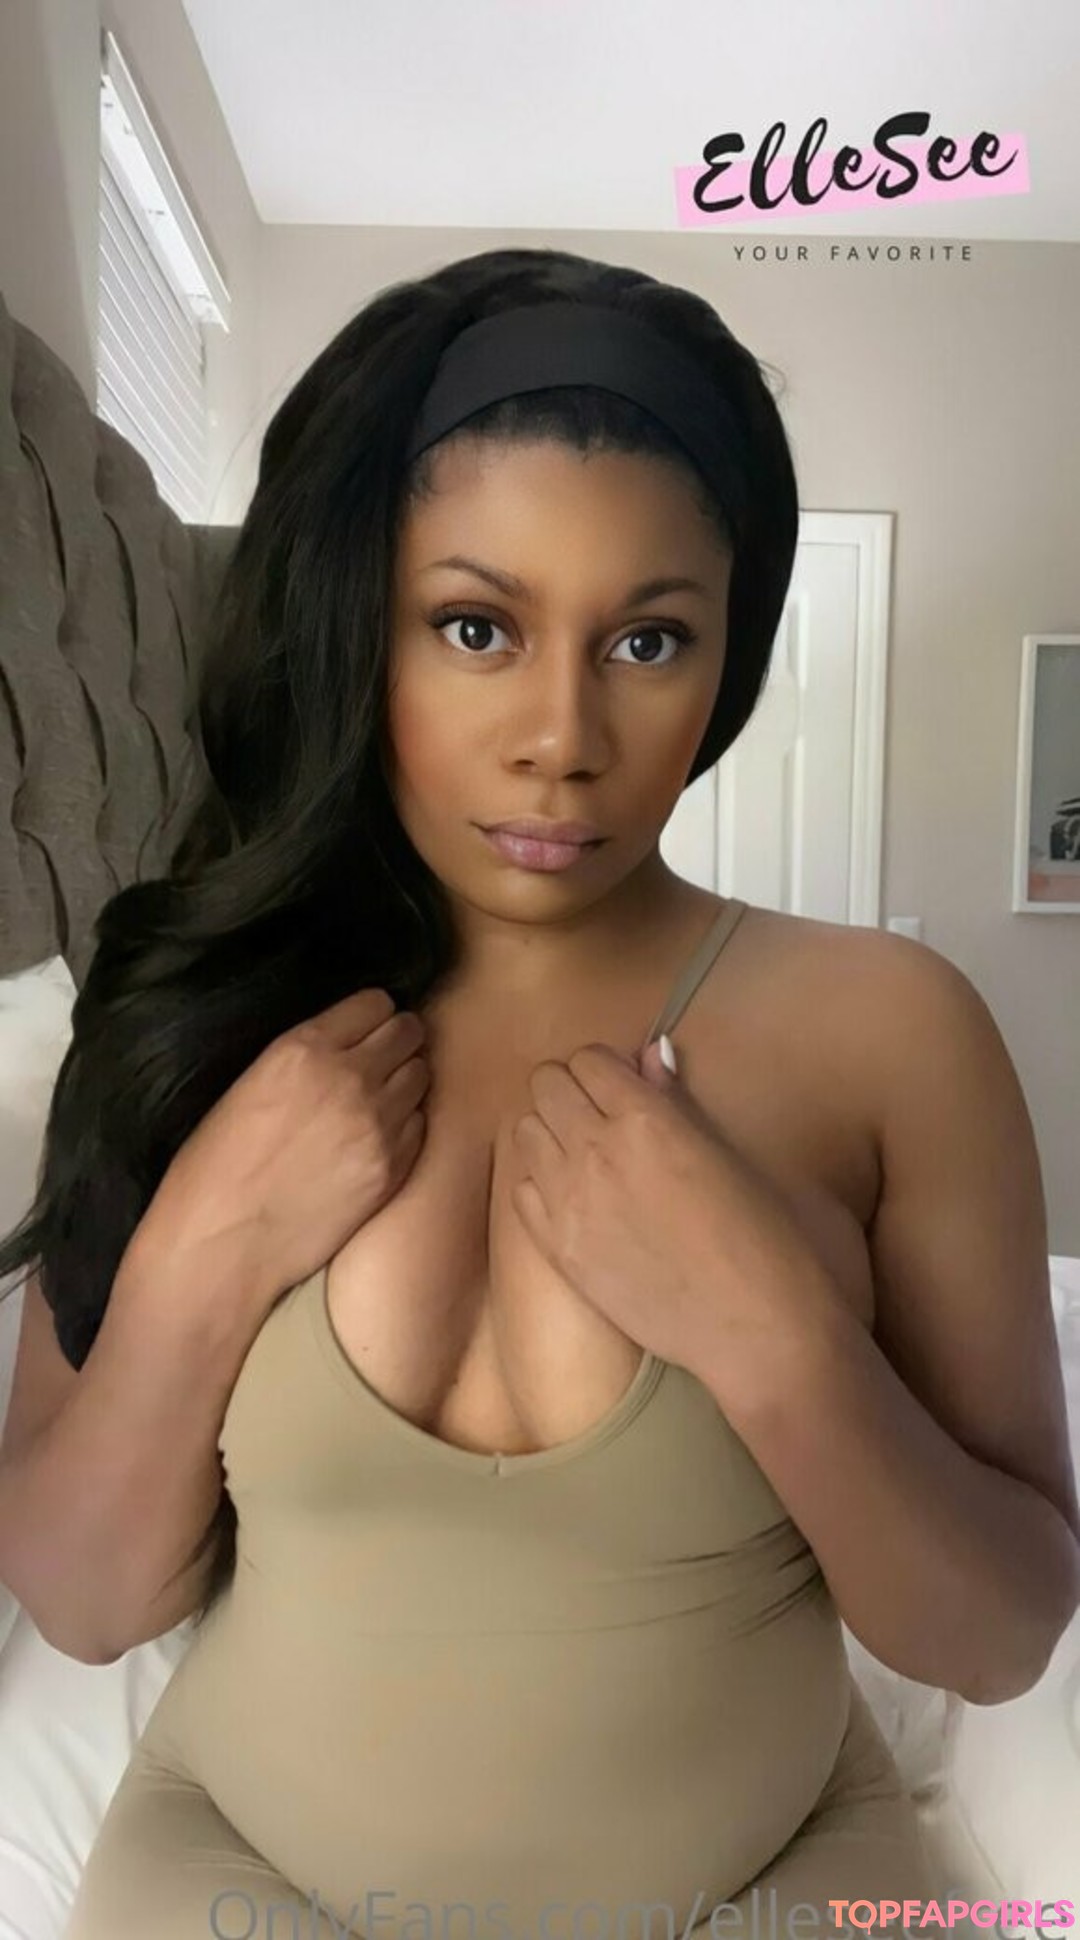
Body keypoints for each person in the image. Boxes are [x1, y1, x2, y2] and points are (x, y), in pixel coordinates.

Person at [1, 247, 1077, 1940]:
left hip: (777, 1878)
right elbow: (83, 1605)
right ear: (357, 625)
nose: (562, 737)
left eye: (649, 638)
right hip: (240, 1873)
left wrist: (773, 1335)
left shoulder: (892, 1032)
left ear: (729, 656)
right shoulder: (196, 1011)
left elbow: (998, 1639)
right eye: (475, 626)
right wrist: (211, 1246)